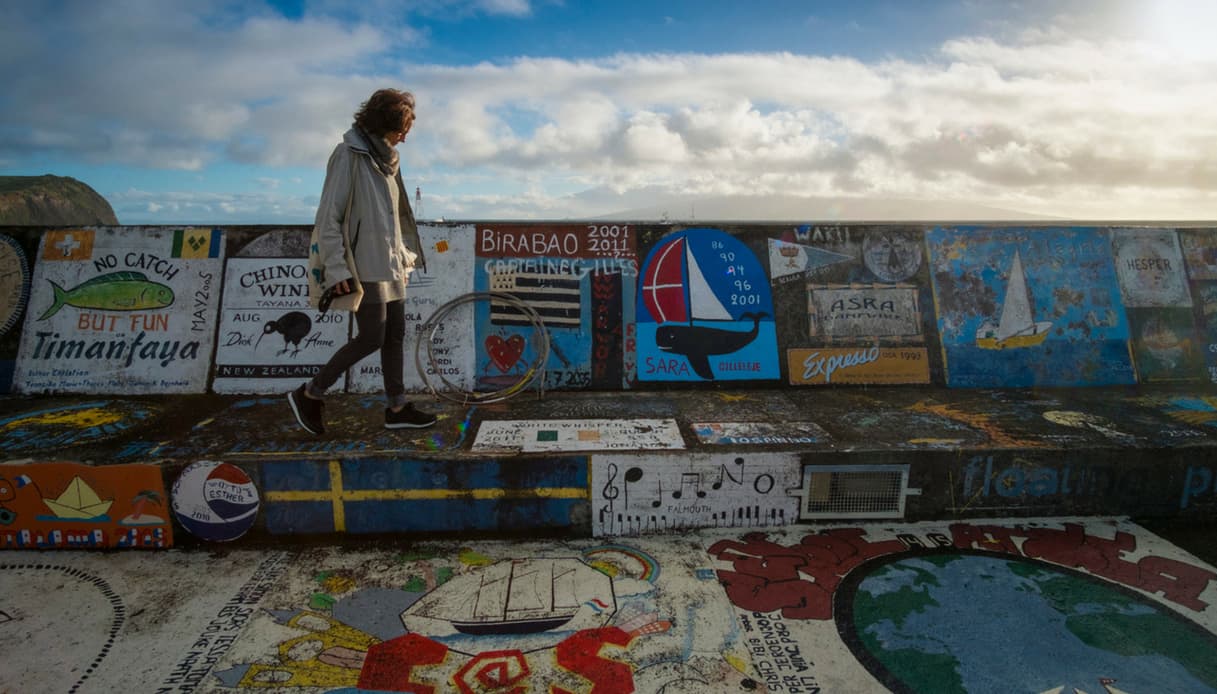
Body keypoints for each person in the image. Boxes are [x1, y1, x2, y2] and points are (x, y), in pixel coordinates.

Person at [288, 88, 436, 435]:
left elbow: (392, 218)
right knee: (372, 336)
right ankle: (310, 392)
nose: (406, 135)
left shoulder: (387, 160)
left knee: (395, 334)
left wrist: (406, 257)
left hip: (390, 265)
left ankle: (397, 407)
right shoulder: (349, 155)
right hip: (364, 267)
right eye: (404, 127)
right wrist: (337, 269)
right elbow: (329, 219)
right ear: (387, 121)